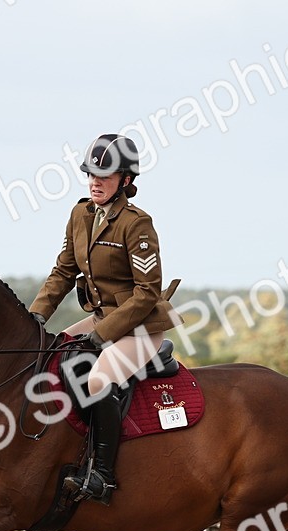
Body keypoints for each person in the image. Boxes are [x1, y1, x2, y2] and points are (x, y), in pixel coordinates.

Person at [29, 133, 177, 505]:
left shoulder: (136, 223)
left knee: (96, 380)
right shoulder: (80, 214)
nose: (95, 182)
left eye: (105, 176)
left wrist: (103, 335)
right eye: (91, 174)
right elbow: (63, 272)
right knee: (53, 354)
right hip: (100, 317)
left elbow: (146, 293)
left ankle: (102, 476)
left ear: (125, 180)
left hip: (141, 326)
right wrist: (34, 316)